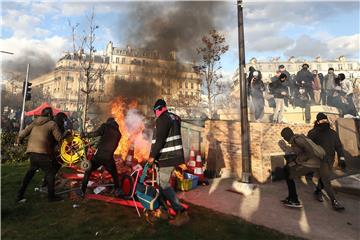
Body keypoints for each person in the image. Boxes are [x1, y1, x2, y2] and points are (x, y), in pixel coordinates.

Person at [280, 127, 344, 210]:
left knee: (288, 172)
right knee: (326, 183)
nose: (284, 139)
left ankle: (294, 199)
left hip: (313, 164)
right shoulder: (297, 140)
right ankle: (335, 202)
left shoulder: (297, 140)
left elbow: (309, 152)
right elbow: (302, 152)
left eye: (284, 137)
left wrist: (296, 162)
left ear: (287, 136)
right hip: (319, 162)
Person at [148, 99, 189, 226]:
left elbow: (160, 139)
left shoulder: (163, 119)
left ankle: (180, 211)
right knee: (161, 184)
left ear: (159, 109)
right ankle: (163, 211)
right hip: (174, 156)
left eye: (155, 111)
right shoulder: (174, 118)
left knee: (164, 184)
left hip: (167, 157)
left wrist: (152, 156)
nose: (155, 114)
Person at [16, 107, 63, 202]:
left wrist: (19, 139)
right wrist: (65, 135)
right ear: (50, 115)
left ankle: (19, 195)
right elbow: (59, 138)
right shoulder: (52, 124)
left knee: (29, 174)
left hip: (33, 153)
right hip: (43, 153)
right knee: (50, 173)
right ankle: (51, 196)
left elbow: (24, 133)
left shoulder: (34, 122)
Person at [308, 113, 346, 202]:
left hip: (330, 160)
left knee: (324, 176)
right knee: (326, 179)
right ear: (318, 122)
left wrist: (342, 158)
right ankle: (334, 201)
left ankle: (317, 191)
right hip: (319, 160)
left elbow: (339, 146)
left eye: (325, 120)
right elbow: (308, 147)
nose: (324, 122)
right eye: (322, 120)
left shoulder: (333, 133)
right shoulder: (312, 133)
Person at [80, 117, 121, 197]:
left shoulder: (105, 126)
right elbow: (114, 146)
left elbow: (96, 133)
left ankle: (82, 190)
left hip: (99, 156)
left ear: (108, 122)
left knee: (88, 171)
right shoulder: (119, 134)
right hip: (109, 158)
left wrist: (85, 135)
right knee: (115, 174)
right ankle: (118, 190)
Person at [42, 112, 70, 189]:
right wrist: (65, 134)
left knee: (55, 167)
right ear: (61, 119)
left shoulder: (59, 125)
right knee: (52, 168)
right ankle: (47, 185)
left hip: (55, 149)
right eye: (64, 119)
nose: (65, 121)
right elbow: (58, 137)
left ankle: (47, 183)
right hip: (51, 149)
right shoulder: (55, 125)